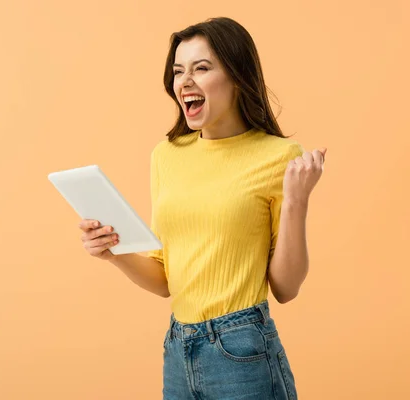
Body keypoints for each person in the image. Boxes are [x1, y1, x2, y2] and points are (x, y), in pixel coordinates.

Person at [78, 17, 326, 399]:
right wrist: (114, 253)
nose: (185, 82)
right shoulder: (167, 155)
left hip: (242, 350)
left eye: (202, 68)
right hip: (179, 348)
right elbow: (165, 280)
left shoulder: (278, 156)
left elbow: (286, 287)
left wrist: (296, 201)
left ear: (238, 77)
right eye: (178, 72)